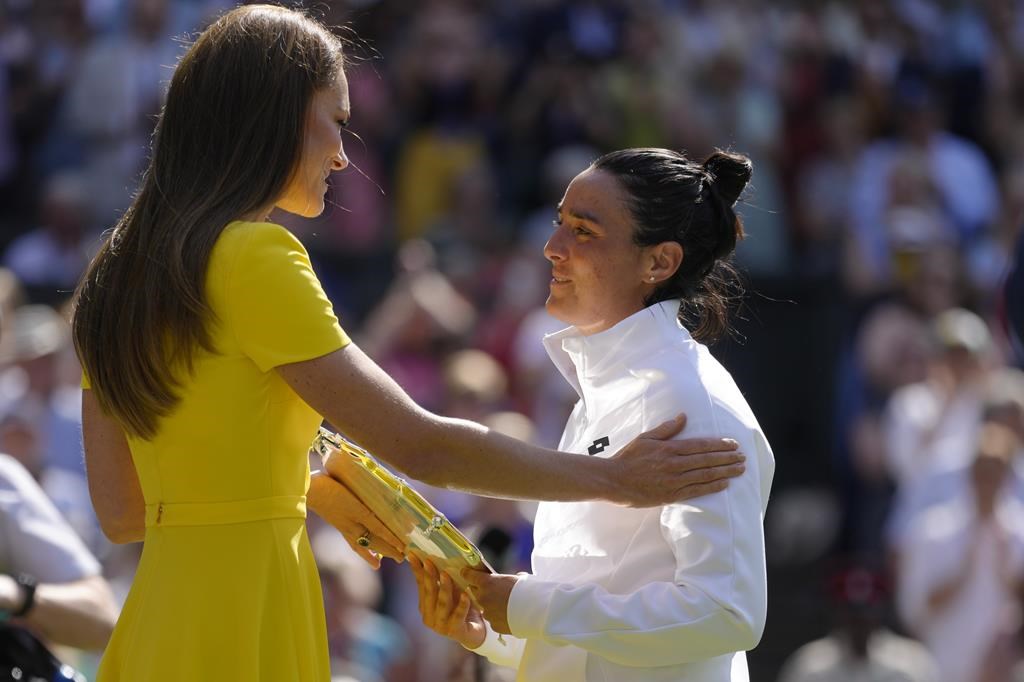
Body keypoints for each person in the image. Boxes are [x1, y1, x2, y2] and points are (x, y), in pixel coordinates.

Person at [69, 7, 746, 681]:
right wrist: (612, 480)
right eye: (334, 120)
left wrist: (295, 491)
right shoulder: (257, 254)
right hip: (250, 612)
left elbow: (126, 514)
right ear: (272, 116)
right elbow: (418, 444)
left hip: (157, 623)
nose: (341, 153)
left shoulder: (117, 268)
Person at [411, 147, 775, 680]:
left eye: (583, 231)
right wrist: (491, 631)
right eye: (560, 223)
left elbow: (726, 614)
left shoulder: (697, 404)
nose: (552, 247)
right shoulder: (605, 392)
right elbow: (596, 622)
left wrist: (524, 607)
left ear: (659, 262)